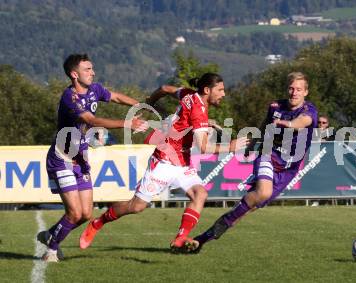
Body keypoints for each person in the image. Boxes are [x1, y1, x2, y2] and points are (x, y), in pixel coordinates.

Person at [79, 73, 248, 252]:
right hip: (164, 161)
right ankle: (99, 222)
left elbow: (165, 89)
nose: (223, 94)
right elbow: (204, 147)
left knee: (200, 194)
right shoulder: (199, 110)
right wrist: (231, 146)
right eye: (220, 90)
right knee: (136, 207)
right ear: (207, 90)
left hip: (182, 162)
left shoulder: (189, 94)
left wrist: (150, 102)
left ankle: (180, 240)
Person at [183, 71, 318, 253]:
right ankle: (241, 205)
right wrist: (253, 143)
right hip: (268, 155)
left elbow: (303, 122)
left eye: (299, 89)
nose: (294, 92)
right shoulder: (276, 107)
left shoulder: (309, 111)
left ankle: (201, 240)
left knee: (244, 211)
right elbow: (264, 126)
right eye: (291, 88)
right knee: (263, 192)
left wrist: (288, 124)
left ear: (306, 92)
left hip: (289, 169)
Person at [38, 54, 148, 262]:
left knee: (86, 214)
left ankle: (49, 234)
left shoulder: (94, 90)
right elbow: (92, 119)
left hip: (80, 160)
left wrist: (139, 105)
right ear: (74, 74)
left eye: (92, 69)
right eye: (87, 69)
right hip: (62, 159)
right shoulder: (69, 98)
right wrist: (127, 123)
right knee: (74, 213)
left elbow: (115, 97)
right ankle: (51, 250)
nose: (93, 72)